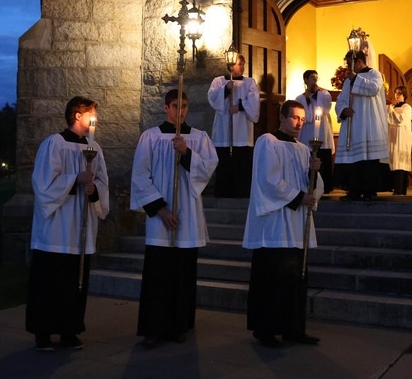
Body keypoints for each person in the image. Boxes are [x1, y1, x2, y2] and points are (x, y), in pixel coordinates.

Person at [130, 88, 219, 349]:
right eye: (175, 106)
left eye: (184, 106)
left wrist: (187, 153)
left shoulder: (199, 138)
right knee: (158, 274)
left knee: (183, 274)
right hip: (161, 218)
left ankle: (179, 325)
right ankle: (153, 329)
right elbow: (140, 176)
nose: (180, 111)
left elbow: (208, 168)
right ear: (165, 108)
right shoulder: (150, 138)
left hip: (187, 218)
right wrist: (161, 209)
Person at [26, 96, 109, 352]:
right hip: (55, 231)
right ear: (76, 115)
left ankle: (69, 330)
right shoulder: (54, 144)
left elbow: (103, 184)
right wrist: (76, 179)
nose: (95, 118)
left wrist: (93, 188)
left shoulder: (95, 149)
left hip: (80, 230)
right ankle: (42, 332)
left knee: (75, 283)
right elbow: (43, 186)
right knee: (49, 284)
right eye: (91, 114)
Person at [243, 99, 323, 348]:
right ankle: (265, 330)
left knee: (294, 280)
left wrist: (314, 172)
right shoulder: (268, 142)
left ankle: (294, 329)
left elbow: (313, 186)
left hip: (296, 225)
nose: (299, 123)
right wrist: (301, 198)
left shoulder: (302, 149)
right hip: (275, 225)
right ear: (282, 117)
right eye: (294, 118)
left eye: (302, 119)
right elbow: (268, 180)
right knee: (272, 279)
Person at [334, 49, 389, 200]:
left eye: (349, 63)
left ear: (358, 62)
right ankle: (354, 190)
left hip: (370, 123)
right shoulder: (347, 81)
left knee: (369, 160)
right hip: (354, 125)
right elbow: (341, 99)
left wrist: (356, 79)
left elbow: (374, 89)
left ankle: (370, 190)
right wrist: (343, 109)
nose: (348, 67)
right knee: (354, 159)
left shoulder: (374, 74)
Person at [207, 52, 259, 197]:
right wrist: (225, 90)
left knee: (242, 164)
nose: (242, 67)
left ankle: (241, 193)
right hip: (224, 131)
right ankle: (223, 192)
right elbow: (212, 98)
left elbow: (254, 104)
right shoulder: (219, 81)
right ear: (230, 65)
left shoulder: (249, 83)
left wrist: (240, 107)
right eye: (239, 64)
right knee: (224, 163)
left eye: (243, 64)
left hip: (242, 131)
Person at [296, 69, 334, 193]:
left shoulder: (324, 95)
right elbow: (307, 117)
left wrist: (315, 94)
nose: (315, 80)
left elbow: (324, 110)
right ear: (306, 80)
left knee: (323, 158)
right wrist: (307, 99)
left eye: (316, 78)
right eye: (312, 78)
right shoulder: (300, 98)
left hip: (322, 131)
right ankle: (309, 185)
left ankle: (326, 187)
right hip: (307, 133)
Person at [387, 85, 412, 196]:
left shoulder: (406, 107)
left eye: (399, 93)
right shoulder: (392, 107)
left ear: (404, 95)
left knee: (401, 165)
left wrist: (391, 110)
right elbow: (387, 120)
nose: (397, 95)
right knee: (394, 164)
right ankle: (395, 188)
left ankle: (401, 189)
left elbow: (400, 121)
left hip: (402, 138)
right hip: (392, 137)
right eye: (395, 93)